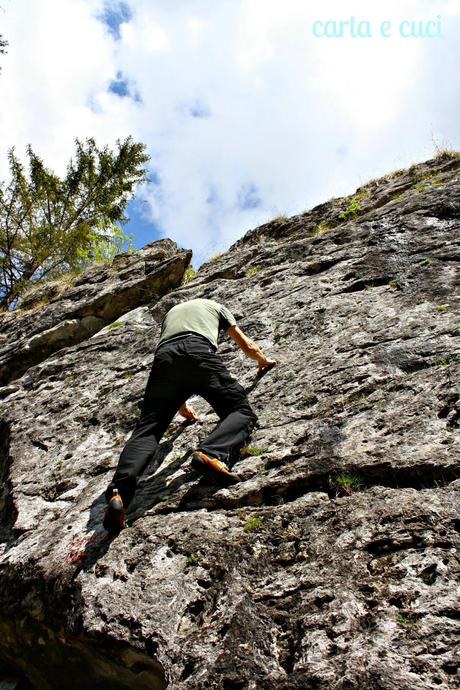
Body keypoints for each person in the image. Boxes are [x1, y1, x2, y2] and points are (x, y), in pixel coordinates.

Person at [103, 297, 276, 533]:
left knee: (148, 429)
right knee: (240, 410)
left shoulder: (171, 314)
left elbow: (176, 362)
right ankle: (210, 453)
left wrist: (182, 407)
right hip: (198, 351)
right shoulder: (217, 307)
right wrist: (263, 360)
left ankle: (119, 492)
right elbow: (246, 346)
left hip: (164, 360)